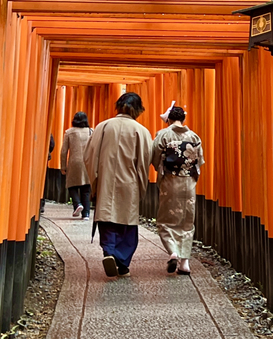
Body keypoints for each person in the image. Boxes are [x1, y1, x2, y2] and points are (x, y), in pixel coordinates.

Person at [84, 92, 153, 278]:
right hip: (129, 183)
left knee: (107, 219)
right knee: (127, 224)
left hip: (106, 180)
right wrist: (141, 186)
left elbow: (89, 156)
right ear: (138, 110)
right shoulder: (141, 131)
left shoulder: (103, 127)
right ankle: (122, 263)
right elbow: (145, 161)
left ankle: (109, 252)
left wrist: (95, 180)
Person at [151, 104, 204, 275]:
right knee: (187, 222)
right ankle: (185, 263)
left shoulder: (164, 134)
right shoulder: (194, 136)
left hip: (170, 181)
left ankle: (173, 252)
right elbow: (199, 161)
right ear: (183, 119)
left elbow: (155, 157)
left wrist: (160, 169)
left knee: (166, 220)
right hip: (189, 183)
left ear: (170, 119)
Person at [61, 111, 93, 219]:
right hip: (88, 162)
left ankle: (77, 204)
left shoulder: (69, 132)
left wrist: (63, 166)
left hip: (74, 162)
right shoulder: (91, 132)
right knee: (86, 189)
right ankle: (86, 214)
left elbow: (64, 151)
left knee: (71, 185)